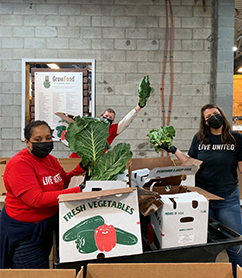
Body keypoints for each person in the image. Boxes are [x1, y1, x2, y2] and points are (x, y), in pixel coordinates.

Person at [160, 103, 242, 278]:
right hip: (203, 199)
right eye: (208, 117)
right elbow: (190, 164)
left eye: (215, 114)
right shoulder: (200, 139)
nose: (213, 118)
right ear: (205, 122)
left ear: (222, 115)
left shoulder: (236, 139)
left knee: (235, 246)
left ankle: (239, 274)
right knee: (205, 247)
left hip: (228, 198)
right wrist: (174, 150)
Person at [0, 120, 86, 269]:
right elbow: (36, 199)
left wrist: (80, 168)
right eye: (38, 140)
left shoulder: (50, 160)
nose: (44, 142)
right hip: (25, 233)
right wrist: (79, 191)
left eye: (48, 138)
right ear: (27, 142)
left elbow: (62, 181)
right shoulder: (19, 164)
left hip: (44, 227)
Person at [69, 102, 145, 158]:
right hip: (77, 157)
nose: (107, 118)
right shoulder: (90, 124)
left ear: (113, 121)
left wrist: (137, 108)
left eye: (110, 118)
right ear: (101, 116)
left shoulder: (113, 130)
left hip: (96, 160)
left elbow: (125, 121)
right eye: (106, 116)